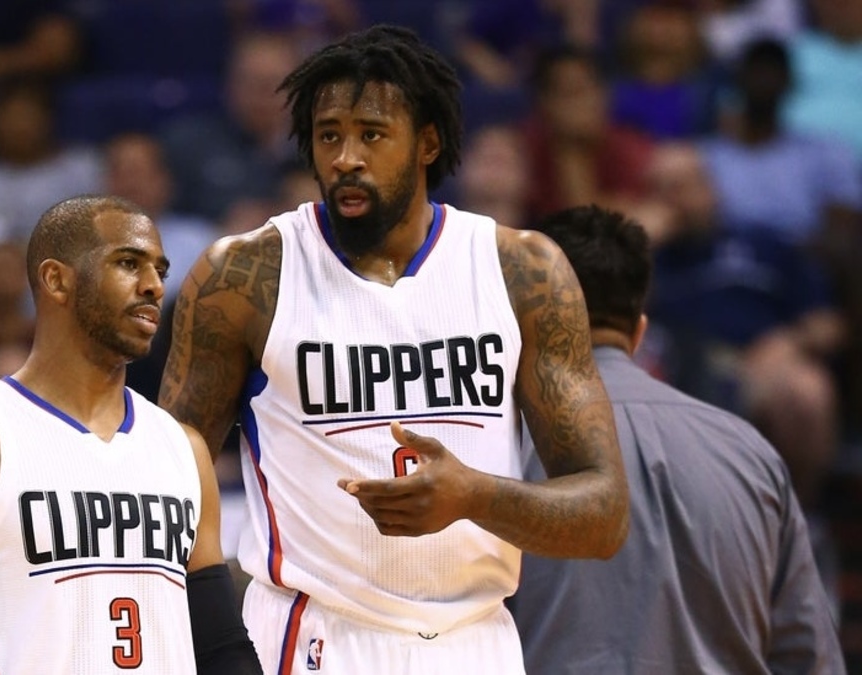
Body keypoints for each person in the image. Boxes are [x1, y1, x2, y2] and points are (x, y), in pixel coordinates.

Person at [159, 25, 629, 674]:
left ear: (427, 143)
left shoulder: (523, 270)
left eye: (371, 134)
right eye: (329, 135)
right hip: (311, 636)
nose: (346, 157)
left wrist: (474, 496)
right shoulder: (243, 277)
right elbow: (162, 488)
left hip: (478, 640)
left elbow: (603, 515)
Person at [0, 196, 262, 674]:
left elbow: (220, 645)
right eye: (128, 263)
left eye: (159, 270)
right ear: (56, 279)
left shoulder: (183, 449)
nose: (153, 286)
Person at [511, 204, 846, 674]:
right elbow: (809, 658)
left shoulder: (490, 451)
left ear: (522, 319)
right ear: (640, 330)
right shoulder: (751, 452)